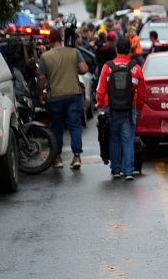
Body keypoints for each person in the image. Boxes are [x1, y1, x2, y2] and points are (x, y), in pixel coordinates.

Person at [37, 29, 89, 170]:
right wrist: (73, 69)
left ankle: (57, 158)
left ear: (49, 41)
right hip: (73, 94)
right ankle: (77, 157)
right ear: (61, 39)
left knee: (57, 127)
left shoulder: (45, 57)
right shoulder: (73, 52)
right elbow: (84, 69)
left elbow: (41, 78)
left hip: (54, 97)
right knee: (74, 126)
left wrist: (40, 93)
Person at [95, 38, 146, 180]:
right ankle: (128, 171)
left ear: (116, 50)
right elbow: (142, 93)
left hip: (111, 108)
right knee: (128, 140)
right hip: (130, 109)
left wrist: (100, 105)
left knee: (114, 139)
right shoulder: (136, 68)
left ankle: (116, 169)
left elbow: (100, 90)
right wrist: (139, 109)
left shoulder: (108, 67)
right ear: (130, 51)